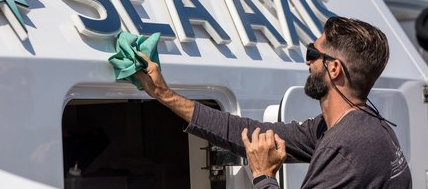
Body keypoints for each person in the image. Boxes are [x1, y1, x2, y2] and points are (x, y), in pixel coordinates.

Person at [134, 16, 412, 188]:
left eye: (314, 52)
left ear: (335, 69)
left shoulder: (348, 148)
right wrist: (163, 94)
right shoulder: (353, 127)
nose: (307, 60)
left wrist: (263, 175)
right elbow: (242, 130)